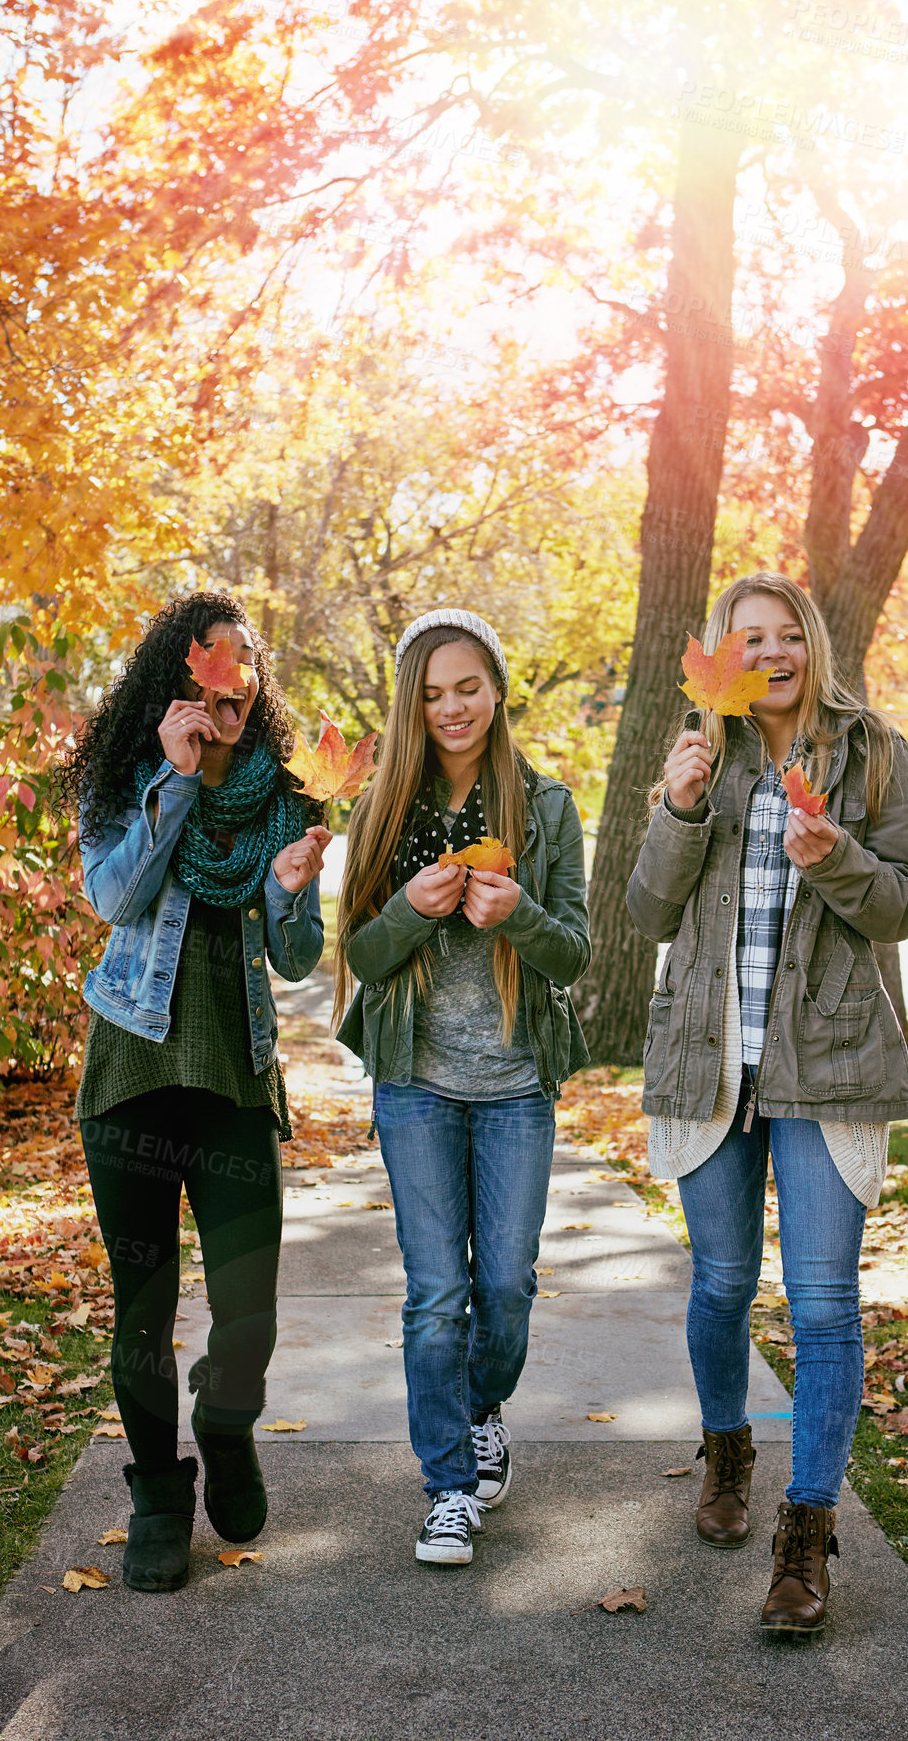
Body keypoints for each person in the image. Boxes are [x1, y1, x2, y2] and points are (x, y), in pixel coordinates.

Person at [627, 572, 908, 1633]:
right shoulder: (699, 752)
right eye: (744, 635)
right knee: (719, 1285)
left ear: (811, 642)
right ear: (718, 650)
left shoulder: (874, 750)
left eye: (785, 631)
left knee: (821, 1302)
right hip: (711, 1056)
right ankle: (726, 1446)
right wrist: (674, 805)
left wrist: (839, 859)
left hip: (831, 1059)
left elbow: (903, 905)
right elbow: (645, 909)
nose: (770, 649)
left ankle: (804, 1537)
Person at [57, 592, 330, 1593]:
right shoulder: (124, 783)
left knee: (247, 1309)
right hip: (132, 1073)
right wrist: (172, 783)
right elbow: (114, 899)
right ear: (174, 679)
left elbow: (295, 959)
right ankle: (159, 1497)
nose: (226, 685)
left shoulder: (287, 801)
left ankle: (226, 1415)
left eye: (241, 668)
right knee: (142, 1308)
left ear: (255, 684)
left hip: (232, 1080)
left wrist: (296, 887)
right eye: (206, 667)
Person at [335, 608, 591, 1566]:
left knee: (507, 1287)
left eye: (467, 687)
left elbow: (573, 952)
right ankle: (446, 1486)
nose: (452, 707)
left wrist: (517, 914)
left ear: (496, 690)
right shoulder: (387, 810)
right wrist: (407, 909)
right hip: (417, 1086)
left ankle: (481, 1406)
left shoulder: (544, 807)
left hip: (517, 1080)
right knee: (435, 1295)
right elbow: (356, 952)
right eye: (432, 692)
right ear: (412, 703)